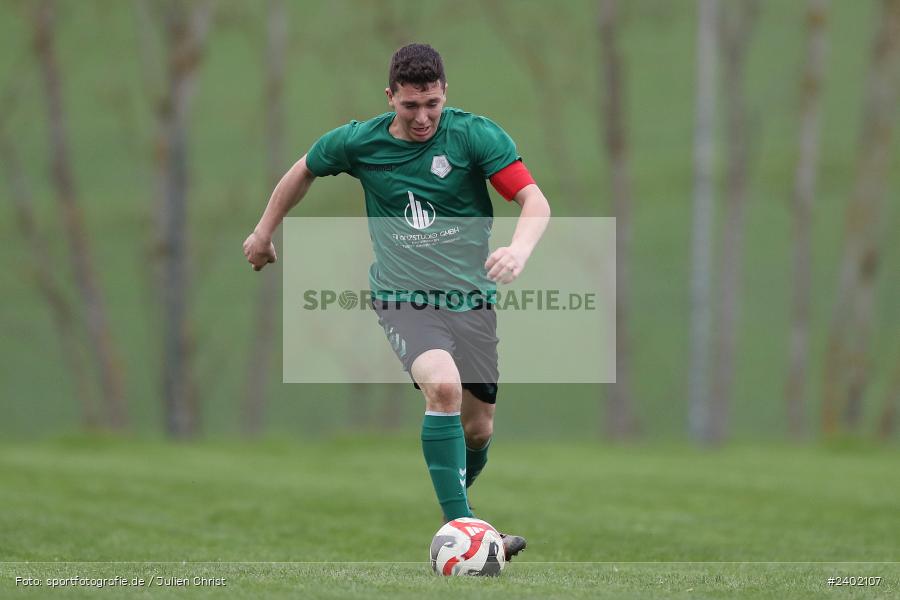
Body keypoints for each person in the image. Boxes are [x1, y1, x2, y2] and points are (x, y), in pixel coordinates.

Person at [243, 43, 550, 561]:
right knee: (443, 388)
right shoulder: (359, 142)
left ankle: (463, 516)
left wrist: (519, 250)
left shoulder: (474, 136)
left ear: (445, 93)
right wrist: (262, 232)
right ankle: (462, 530)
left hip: (472, 301)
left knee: (478, 430)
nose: (423, 117)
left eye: (432, 104)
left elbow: (533, 199)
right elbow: (303, 169)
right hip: (403, 299)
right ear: (390, 98)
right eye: (410, 106)